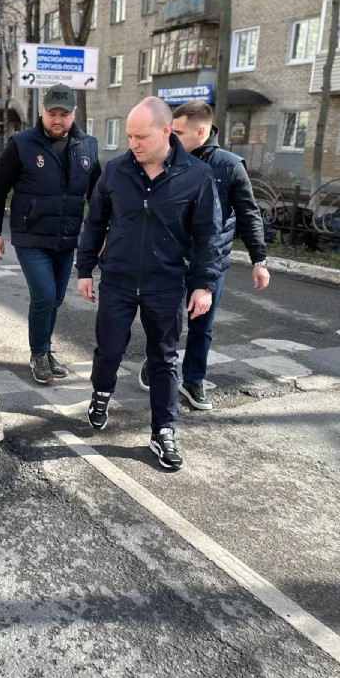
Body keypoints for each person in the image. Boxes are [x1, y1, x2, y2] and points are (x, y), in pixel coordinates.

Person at [76, 97, 222, 472]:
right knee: (109, 350)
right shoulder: (115, 172)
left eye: (140, 136)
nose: (133, 144)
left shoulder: (196, 176)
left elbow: (209, 236)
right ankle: (101, 393)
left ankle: (164, 431)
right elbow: (95, 223)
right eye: (129, 136)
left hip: (167, 284)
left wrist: (203, 284)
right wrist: (84, 270)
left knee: (164, 360)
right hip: (118, 281)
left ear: (165, 131)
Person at [138, 100, 270, 411]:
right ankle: (156, 362)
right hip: (170, 257)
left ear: (202, 131)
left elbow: (250, 214)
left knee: (202, 323)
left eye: (179, 132)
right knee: (165, 319)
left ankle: (193, 379)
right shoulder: (165, 158)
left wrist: (259, 261)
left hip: (209, 262)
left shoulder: (229, 165)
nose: (172, 138)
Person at [0, 84, 101, 384]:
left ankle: (46, 349)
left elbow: (99, 194)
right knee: (44, 296)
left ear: (73, 114)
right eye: (52, 113)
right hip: (31, 237)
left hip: (66, 238)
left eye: (64, 114)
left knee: (57, 299)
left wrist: (104, 233)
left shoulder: (87, 146)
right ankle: (38, 353)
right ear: (42, 111)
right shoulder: (22, 143)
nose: (57, 120)